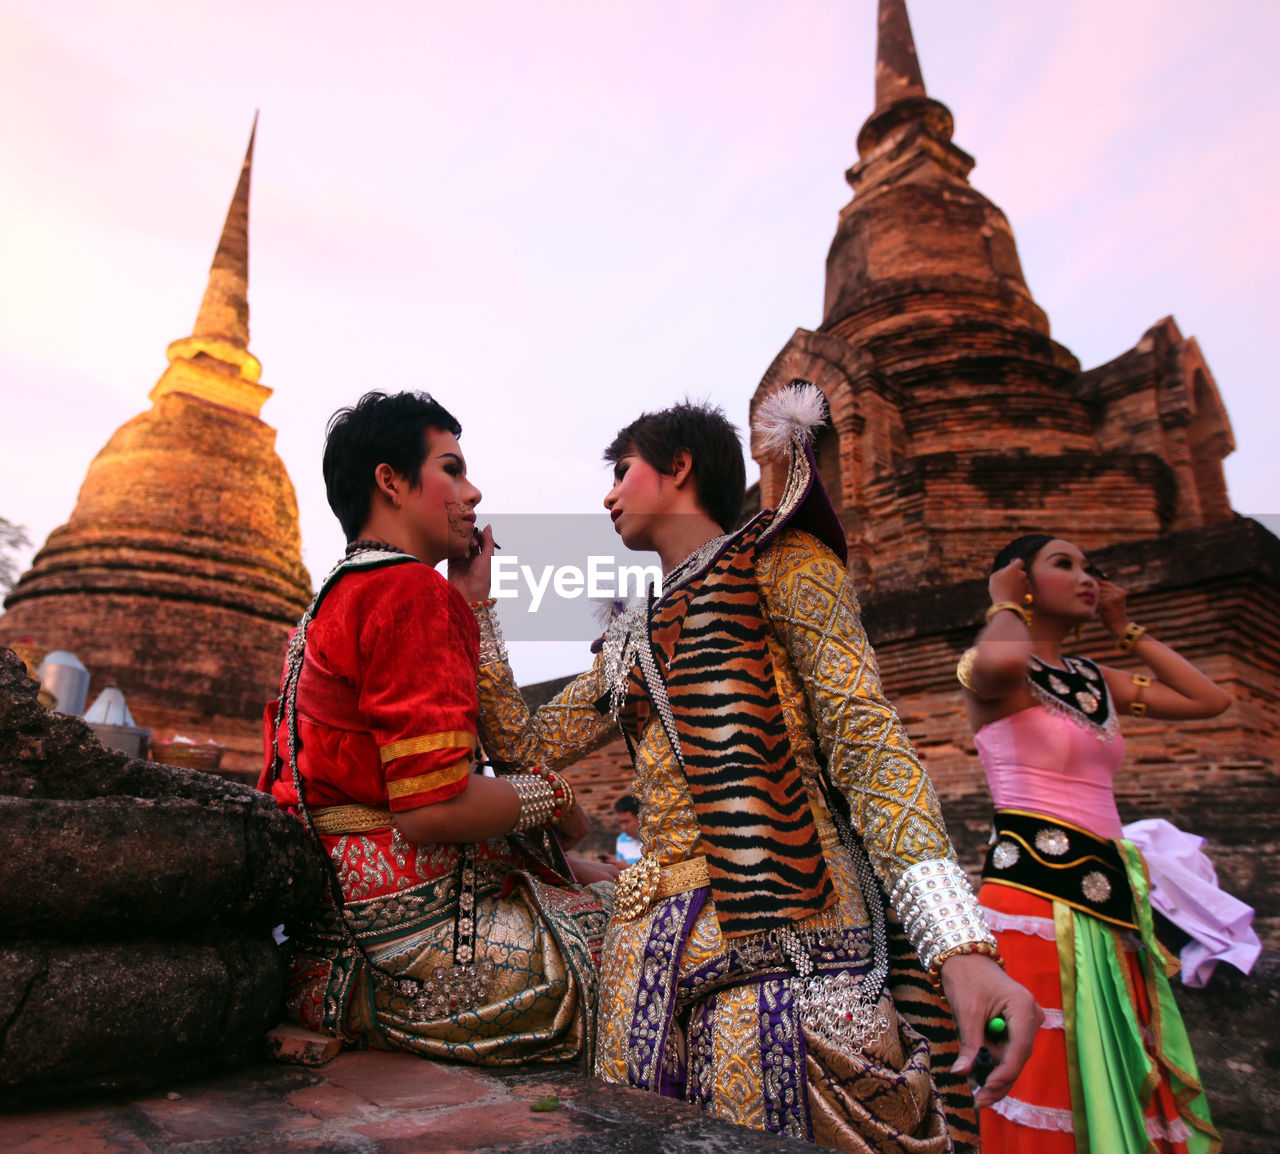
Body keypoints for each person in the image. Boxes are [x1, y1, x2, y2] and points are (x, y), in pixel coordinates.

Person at [450, 384, 1039, 1153]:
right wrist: (480, 609)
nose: (607, 493)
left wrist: (957, 942)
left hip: (788, 931)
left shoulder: (782, 562)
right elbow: (524, 748)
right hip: (647, 951)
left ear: (679, 466)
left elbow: (869, 744)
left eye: (623, 469)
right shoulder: (632, 640)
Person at [258, 390, 610, 1067]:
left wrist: (473, 607)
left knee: (599, 875)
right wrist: (555, 799)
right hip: (415, 957)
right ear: (390, 480)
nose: (473, 492)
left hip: (329, 948)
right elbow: (431, 809)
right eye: (452, 469)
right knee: (650, 933)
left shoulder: (333, 597)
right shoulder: (409, 591)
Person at [958, 533, 1229, 1153]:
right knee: (1051, 1075)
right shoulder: (992, 665)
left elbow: (1210, 700)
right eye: (1065, 564)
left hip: (1115, 908)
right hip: (1031, 902)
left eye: (1090, 567)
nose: (1087, 577)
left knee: (1128, 1066)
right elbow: (1000, 664)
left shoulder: (1095, 679)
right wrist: (1003, 602)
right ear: (1022, 579)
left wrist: (1127, 629)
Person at [613, 795, 643, 865]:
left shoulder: (654, 839)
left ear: (639, 818)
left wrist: (627, 868)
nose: (623, 827)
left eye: (626, 822)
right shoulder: (621, 839)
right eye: (621, 822)